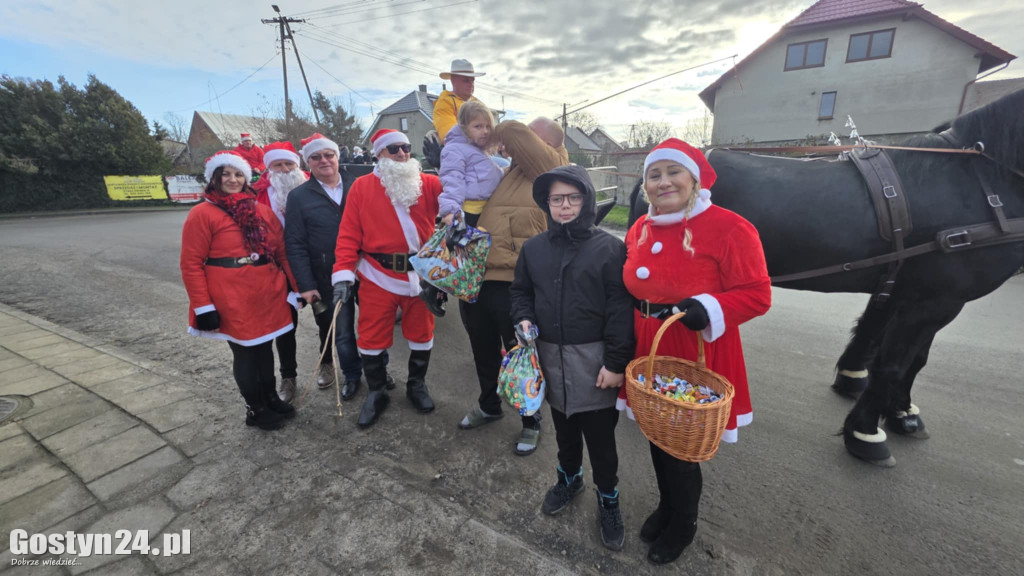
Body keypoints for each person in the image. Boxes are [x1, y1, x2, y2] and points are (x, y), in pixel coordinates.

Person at [617, 139, 771, 564]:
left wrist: (711, 308)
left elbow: (758, 295)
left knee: (682, 446)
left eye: (673, 172)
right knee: (655, 431)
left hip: (694, 351)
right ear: (644, 184)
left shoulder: (731, 227)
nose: (663, 182)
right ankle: (668, 506)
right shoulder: (639, 228)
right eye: (654, 174)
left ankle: (683, 522)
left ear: (694, 178)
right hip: (647, 347)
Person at [509, 165, 634, 550]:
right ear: (547, 204)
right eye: (557, 199)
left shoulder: (610, 248)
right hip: (550, 360)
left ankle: (608, 498)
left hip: (594, 364)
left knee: (601, 440)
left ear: (587, 199)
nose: (565, 206)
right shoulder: (533, 249)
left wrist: (615, 363)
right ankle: (569, 478)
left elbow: (619, 310)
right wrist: (524, 319)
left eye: (573, 197)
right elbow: (520, 294)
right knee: (563, 431)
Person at [456, 117, 569, 456]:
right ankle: (489, 405)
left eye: (527, 138)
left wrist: (493, 127)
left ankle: (531, 420)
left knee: (521, 356)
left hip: (515, 283)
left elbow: (515, 132)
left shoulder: (553, 167)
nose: (510, 145)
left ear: (544, 142)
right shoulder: (511, 171)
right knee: (482, 348)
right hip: (479, 277)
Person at [331, 129, 443, 428]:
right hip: (377, 275)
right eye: (394, 149)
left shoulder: (429, 183)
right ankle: (377, 391)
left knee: (422, 334)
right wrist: (342, 274)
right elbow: (348, 234)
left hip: (421, 276)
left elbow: (461, 195)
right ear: (379, 154)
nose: (403, 154)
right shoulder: (361, 188)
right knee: (370, 337)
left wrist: (445, 165)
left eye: (406, 148)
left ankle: (416, 385)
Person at [180, 151, 298, 430]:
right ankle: (254, 409)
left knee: (265, 347)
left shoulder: (261, 211)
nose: (233, 179)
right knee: (245, 352)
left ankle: (270, 398)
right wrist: (203, 307)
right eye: (226, 174)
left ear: (247, 178)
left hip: (267, 291)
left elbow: (281, 252)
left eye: (238, 174)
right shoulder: (202, 214)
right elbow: (191, 263)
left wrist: (296, 287)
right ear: (214, 179)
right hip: (231, 295)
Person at [285, 133, 392, 400]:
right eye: (316, 157)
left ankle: (378, 371)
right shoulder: (298, 197)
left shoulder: (360, 185)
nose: (324, 161)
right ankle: (352, 375)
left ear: (337, 156)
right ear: (307, 162)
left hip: (368, 270)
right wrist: (306, 286)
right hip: (328, 275)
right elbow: (295, 243)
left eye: (329, 154)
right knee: (342, 332)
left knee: (376, 327)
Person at [251, 141, 309, 401]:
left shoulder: (312, 186)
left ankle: (328, 363)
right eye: (278, 164)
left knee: (327, 319)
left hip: (312, 263)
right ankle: (289, 376)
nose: (285, 169)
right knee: (285, 326)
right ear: (269, 168)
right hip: (277, 269)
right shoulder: (258, 195)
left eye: (289, 164)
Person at [438, 100, 503, 227]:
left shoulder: (477, 150)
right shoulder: (455, 149)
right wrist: (451, 211)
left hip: (485, 209)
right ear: (464, 128)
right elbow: (452, 180)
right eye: (478, 126)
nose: (485, 131)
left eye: (488, 126)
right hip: (470, 214)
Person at [433, 59, 486, 140]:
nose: (471, 84)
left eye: (472, 80)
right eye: (466, 80)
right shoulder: (444, 103)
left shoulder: (479, 103)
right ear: (453, 80)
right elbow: (451, 135)